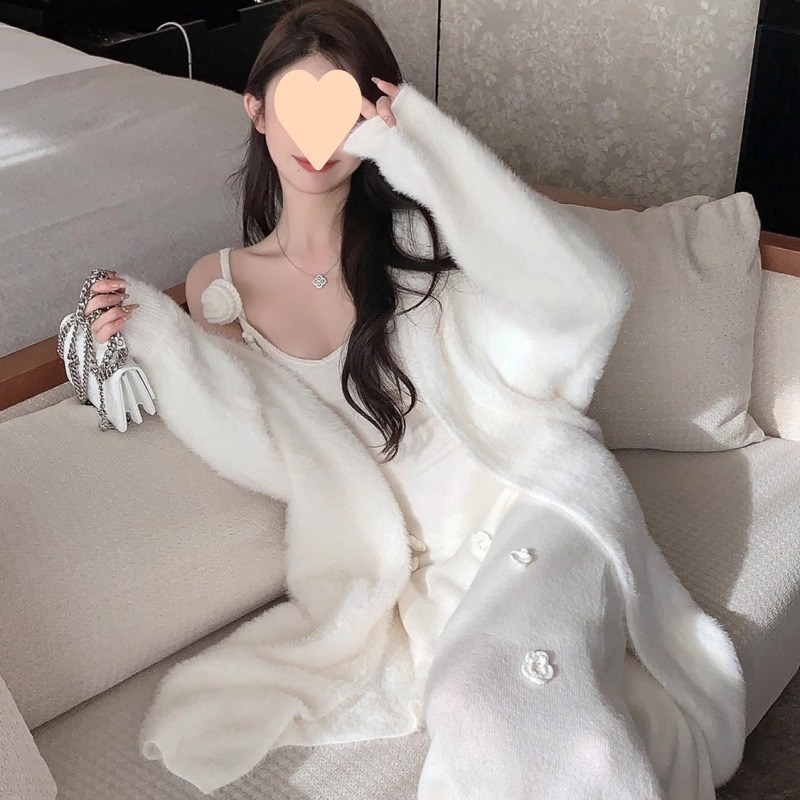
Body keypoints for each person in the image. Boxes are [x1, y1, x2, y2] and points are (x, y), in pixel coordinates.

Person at [76, 2, 737, 797]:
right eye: (296, 104)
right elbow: (257, 440)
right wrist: (147, 338)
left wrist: (424, 151)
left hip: (532, 502)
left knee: (485, 701)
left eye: (342, 109)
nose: (317, 135)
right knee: (503, 711)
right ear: (255, 111)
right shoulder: (218, 285)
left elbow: (590, 297)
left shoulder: (425, 240)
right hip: (420, 576)